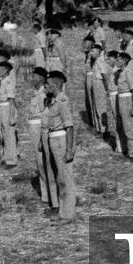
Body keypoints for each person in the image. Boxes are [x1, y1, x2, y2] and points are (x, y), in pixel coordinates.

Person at [43, 70, 76, 221]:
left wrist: (69, 149)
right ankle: (63, 211)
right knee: (59, 176)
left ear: (56, 85)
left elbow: (69, 126)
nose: (46, 87)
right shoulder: (53, 100)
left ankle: (68, 214)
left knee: (65, 178)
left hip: (61, 140)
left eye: (49, 84)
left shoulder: (63, 101)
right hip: (53, 139)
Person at [27, 66, 58, 207]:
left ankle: (53, 197)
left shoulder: (43, 94)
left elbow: (45, 116)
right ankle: (46, 196)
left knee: (45, 163)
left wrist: (41, 137)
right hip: (34, 127)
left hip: (40, 128)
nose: (31, 79)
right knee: (40, 163)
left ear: (40, 77)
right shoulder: (36, 92)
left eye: (34, 76)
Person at [114, 51, 133, 160]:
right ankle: (128, 151)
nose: (117, 61)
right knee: (124, 126)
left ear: (125, 61)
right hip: (121, 99)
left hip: (127, 100)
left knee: (129, 127)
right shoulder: (120, 72)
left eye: (119, 59)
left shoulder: (128, 72)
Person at [0, 60, 19, 167]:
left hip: (7, 108)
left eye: (0, 69)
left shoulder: (8, 81)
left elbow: (11, 100)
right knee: (5, 133)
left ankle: (12, 159)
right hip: (2, 107)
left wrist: (12, 116)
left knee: (9, 134)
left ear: (5, 70)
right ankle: (7, 156)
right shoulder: (2, 81)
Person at [88, 43, 110, 135]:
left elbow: (104, 76)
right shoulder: (96, 61)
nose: (91, 53)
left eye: (93, 51)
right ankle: (98, 128)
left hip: (99, 85)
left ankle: (104, 130)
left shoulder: (101, 62)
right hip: (95, 84)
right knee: (95, 106)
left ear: (98, 51)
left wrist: (107, 88)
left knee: (101, 107)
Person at [105, 50, 122, 152]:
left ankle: (121, 145)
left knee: (118, 120)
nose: (108, 61)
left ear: (116, 59)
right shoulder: (112, 70)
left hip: (116, 95)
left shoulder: (118, 71)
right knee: (115, 120)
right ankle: (119, 144)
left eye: (110, 59)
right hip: (112, 95)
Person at [81, 35, 96, 131]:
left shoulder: (93, 53)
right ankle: (91, 121)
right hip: (87, 77)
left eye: (88, 43)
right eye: (85, 43)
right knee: (88, 101)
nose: (85, 45)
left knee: (92, 100)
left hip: (92, 77)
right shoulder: (87, 53)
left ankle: (94, 122)